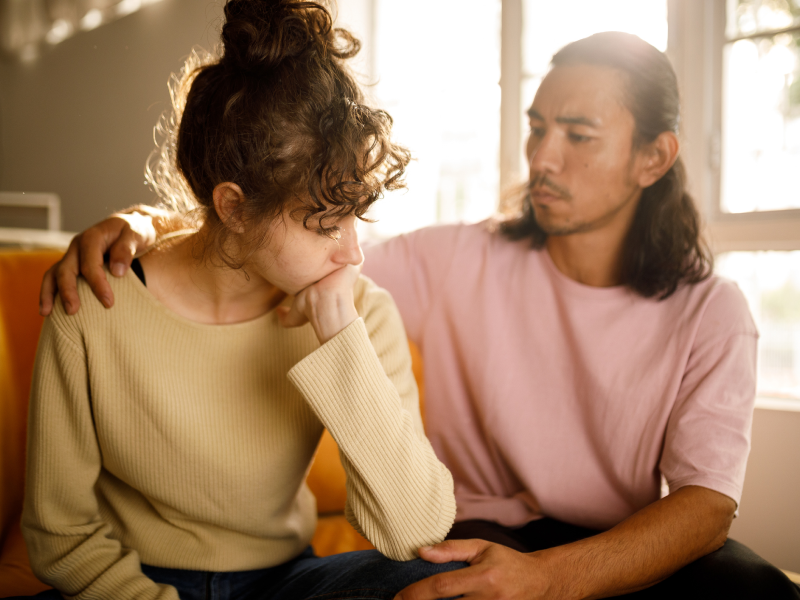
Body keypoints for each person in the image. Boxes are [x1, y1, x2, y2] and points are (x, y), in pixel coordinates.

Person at [40, 32, 800, 600]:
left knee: (759, 594)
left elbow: (704, 508)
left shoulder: (713, 312)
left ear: (653, 159)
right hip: (480, 534)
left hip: (612, 541)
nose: (542, 158)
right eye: (538, 127)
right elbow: (264, 228)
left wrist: (548, 580)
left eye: (578, 136)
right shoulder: (456, 259)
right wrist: (141, 222)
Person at [16, 1, 466, 599]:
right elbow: (59, 533)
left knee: (443, 582)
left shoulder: (358, 310)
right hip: (135, 581)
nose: (353, 253)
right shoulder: (95, 306)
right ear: (232, 208)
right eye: (326, 225)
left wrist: (337, 327)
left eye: (356, 217)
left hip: (285, 583)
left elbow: (415, 533)